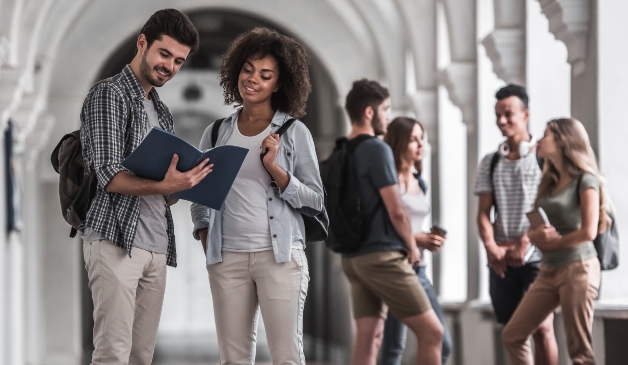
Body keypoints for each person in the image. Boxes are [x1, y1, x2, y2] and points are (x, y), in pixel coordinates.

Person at [78, 9, 210, 365]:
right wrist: (165, 184)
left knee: (140, 356)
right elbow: (108, 175)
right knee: (113, 354)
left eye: (179, 61)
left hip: (155, 245)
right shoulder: (109, 95)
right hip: (115, 240)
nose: (170, 66)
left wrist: (184, 185)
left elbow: (159, 189)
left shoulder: (162, 111)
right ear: (142, 43)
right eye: (164, 54)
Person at [190, 28, 323, 365]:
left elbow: (315, 200)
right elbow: (200, 192)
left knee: (286, 356)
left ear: (279, 84)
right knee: (233, 358)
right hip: (227, 260)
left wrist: (277, 170)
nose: (253, 80)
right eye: (248, 69)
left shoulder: (294, 132)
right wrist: (205, 235)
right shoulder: (218, 131)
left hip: (279, 259)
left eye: (265, 75)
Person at [340, 79, 444, 365]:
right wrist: (412, 247)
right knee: (433, 333)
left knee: (369, 338)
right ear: (370, 112)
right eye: (385, 109)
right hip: (383, 255)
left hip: (352, 257)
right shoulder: (377, 149)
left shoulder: (343, 150)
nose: (388, 115)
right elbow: (396, 209)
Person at [502, 118, 608, 365]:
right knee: (512, 335)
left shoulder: (585, 180)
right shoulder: (548, 182)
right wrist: (534, 236)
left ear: (563, 141)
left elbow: (589, 232)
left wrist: (553, 243)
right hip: (549, 270)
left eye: (546, 135)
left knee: (580, 352)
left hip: (578, 268)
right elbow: (535, 229)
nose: (539, 140)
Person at [474, 84, 558, 364]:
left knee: (544, 329)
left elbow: (552, 208)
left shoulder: (544, 158)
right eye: (497, 115)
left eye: (508, 114)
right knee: (514, 332)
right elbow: (483, 213)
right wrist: (491, 248)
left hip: (538, 258)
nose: (501, 121)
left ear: (526, 114)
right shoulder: (490, 162)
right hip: (502, 261)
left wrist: (526, 241)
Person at [381, 117, 453, 364]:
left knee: (443, 344)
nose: (420, 144)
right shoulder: (386, 182)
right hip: (393, 267)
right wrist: (417, 239)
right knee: (393, 347)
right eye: (413, 139)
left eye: (422, 138)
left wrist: (427, 240)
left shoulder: (419, 181)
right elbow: (381, 229)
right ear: (399, 142)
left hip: (419, 269)